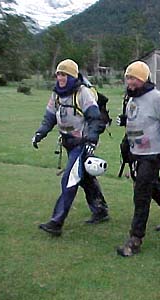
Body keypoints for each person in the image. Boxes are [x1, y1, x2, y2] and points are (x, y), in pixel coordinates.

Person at [32, 59, 109, 236]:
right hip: (67, 142)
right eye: (58, 74)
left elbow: (95, 119)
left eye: (64, 74)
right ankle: (100, 210)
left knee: (70, 179)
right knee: (84, 178)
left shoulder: (83, 93)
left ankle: (56, 221)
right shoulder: (56, 94)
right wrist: (40, 133)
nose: (60, 77)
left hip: (81, 144)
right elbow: (49, 117)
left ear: (72, 76)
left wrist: (91, 141)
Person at [116, 61, 160, 257]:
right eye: (128, 78)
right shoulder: (131, 99)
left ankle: (135, 239)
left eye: (134, 78)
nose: (130, 82)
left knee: (141, 194)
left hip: (153, 154)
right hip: (137, 153)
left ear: (143, 79)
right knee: (151, 186)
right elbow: (135, 122)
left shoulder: (158, 99)